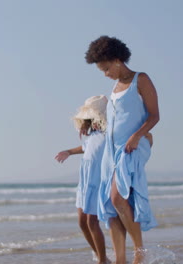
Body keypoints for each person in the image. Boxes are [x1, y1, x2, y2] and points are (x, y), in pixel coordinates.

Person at [85, 36, 160, 264]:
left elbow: (154, 115)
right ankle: (120, 260)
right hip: (112, 148)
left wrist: (138, 136)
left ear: (118, 60)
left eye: (106, 68)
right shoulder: (115, 87)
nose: (105, 74)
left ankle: (140, 253)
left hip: (132, 146)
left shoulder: (141, 79)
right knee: (110, 204)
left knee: (118, 196)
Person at [55, 95, 110, 264]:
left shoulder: (109, 134)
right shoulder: (92, 136)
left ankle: (102, 261)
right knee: (82, 222)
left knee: (92, 221)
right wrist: (69, 152)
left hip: (97, 182)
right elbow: (85, 147)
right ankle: (102, 257)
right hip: (85, 183)